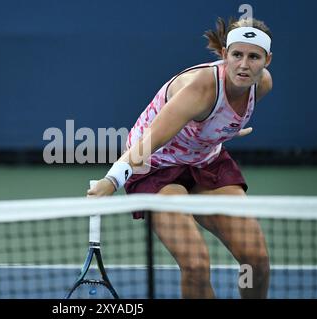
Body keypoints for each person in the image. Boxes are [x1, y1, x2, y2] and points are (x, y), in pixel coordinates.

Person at [88, 17, 273, 299]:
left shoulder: (261, 86)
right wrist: (112, 180)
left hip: (205, 162)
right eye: (237, 55)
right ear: (225, 55)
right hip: (156, 166)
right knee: (196, 265)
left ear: (267, 60)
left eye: (253, 57)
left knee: (255, 260)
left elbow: (216, 119)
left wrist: (223, 132)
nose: (244, 65)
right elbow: (149, 143)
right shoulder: (200, 89)